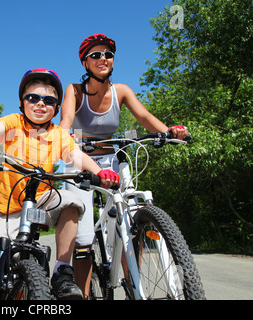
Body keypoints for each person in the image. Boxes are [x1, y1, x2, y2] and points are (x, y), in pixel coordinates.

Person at [0, 68, 119, 300]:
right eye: (33, 98)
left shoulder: (58, 134)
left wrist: (100, 172)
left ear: (57, 108)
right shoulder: (14, 123)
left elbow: (75, 155)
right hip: (12, 208)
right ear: (22, 102)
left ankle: (62, 270)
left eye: (49, 101)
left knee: (72, 202)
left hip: (43, 198)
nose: (40, 104)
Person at [59, 33, 188, 299]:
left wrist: (169, 132)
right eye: (95, 55)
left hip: (113, 160)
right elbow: (66, 120)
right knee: (83, 238)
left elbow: (144, 116)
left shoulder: (123, 91)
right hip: (82, 161)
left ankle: (133, 288)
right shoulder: (75, 91)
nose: (103, 58)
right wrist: (63, 136)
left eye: (107, 54)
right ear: (85, 63)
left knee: (129, 220)